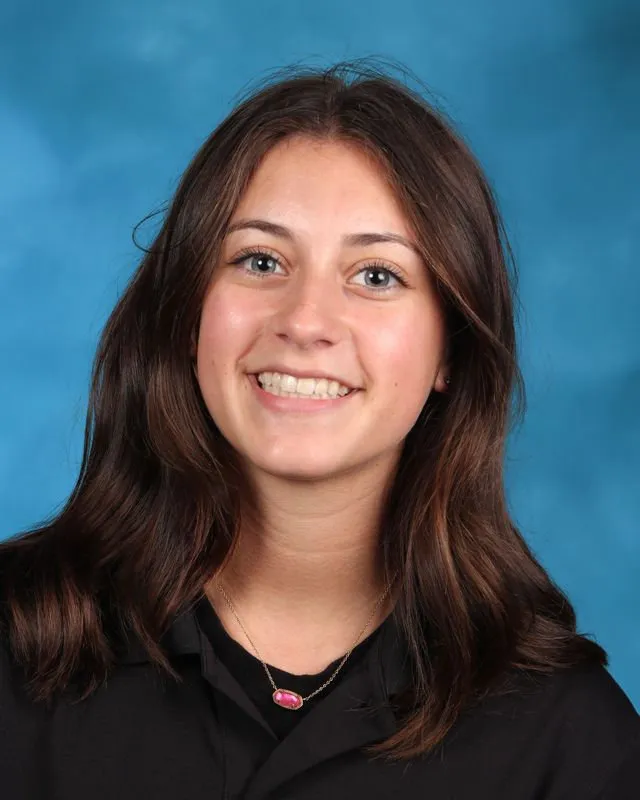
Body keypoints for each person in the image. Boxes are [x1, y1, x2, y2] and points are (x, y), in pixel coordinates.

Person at [0, 58, 638, 800]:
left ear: (450, 350)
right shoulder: (16, 653)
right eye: (260, 260)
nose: (305, 321)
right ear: (186, 316)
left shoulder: (570, 738)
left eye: (376, 276)